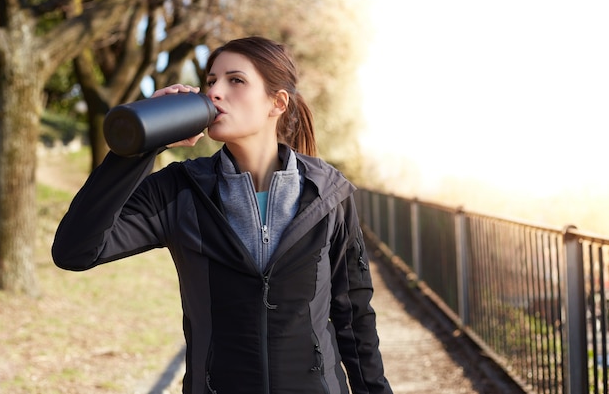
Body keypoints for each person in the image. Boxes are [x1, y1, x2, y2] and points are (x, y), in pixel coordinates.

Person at [52, 36, 394, 394]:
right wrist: (139, 147)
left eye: (236, 80)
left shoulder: (329, 194)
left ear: (276, 103)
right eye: (211, 81)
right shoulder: (179, 191)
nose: (215, 92)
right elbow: (74, 251)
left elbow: (354, 318)